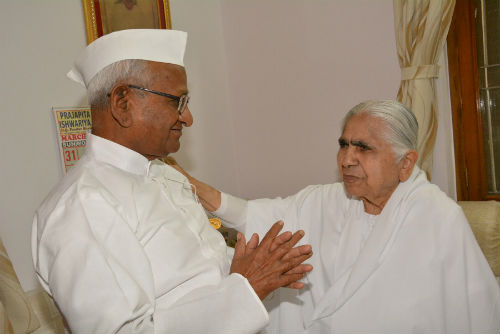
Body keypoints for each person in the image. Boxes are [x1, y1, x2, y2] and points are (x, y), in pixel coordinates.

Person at [31, 29, 313, 334]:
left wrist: (254, 267)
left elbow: (200, 276)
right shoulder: (81, 207)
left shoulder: (164, 174)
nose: (188, 117)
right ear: (122, 103)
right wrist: (245, 289)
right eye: (177, 102)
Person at [170, 100, 500, 333]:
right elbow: (257, 215)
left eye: (363, 148)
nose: (346, 159)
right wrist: (183, 182)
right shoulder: (326, 200)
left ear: (406, 163)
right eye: (344, 145)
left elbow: (476, 315)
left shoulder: (439, 218)